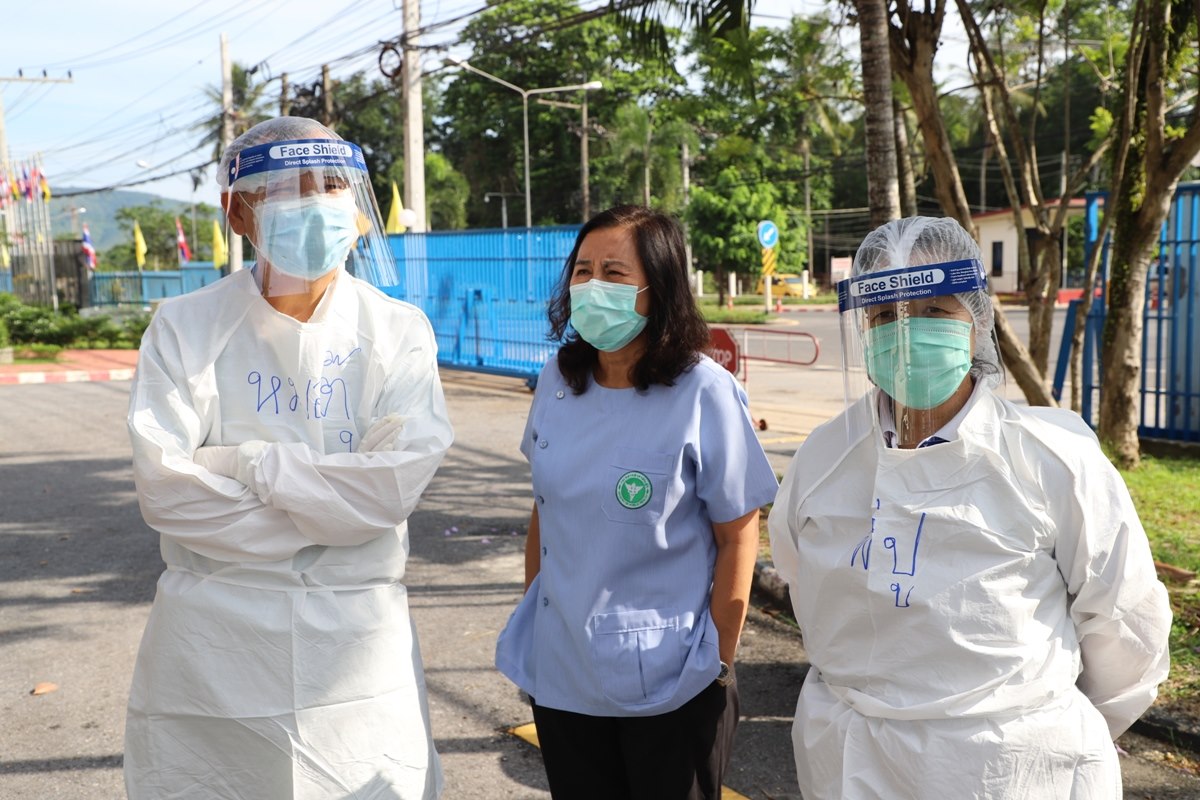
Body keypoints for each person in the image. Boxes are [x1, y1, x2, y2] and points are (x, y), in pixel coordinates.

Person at [768, 216, 1172, 799]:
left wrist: (1053, 721)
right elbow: (806, 584)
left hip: (1014, 767)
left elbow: (1124, 620)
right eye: (885, 316)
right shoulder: (825, 457)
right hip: (852, 763)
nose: (907, 332)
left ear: (977, 319)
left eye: (934, 310)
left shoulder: (1052, 456)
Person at [125, 116, 453, 799]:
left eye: (332, 185)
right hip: (214, 652)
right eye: (286, 188)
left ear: (359, 211)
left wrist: (243, 465)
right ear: (237, 210)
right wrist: (330, 508)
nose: (315, 202)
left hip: (356, 657)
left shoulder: (396, 332)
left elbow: (388, 492)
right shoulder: (185, 328)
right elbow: (166, 492)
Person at [495, 205, 779, 799]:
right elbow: (545, 509)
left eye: (615, 273)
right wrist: (537, 615)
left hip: (673, 684)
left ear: (660, 289)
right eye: (582, 270)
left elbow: (738, 531)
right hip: (564, 676)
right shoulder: (557, 380)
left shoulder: (704, 391)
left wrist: (718, 660)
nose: (593, 285)